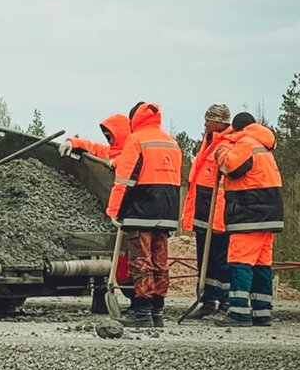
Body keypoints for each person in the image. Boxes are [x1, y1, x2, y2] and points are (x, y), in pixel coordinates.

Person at [106, 102, 182, 328]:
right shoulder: (171, 142)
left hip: (141, 209)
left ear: (134, 120)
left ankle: (141, 312)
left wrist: (114, 210)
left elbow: (124, 179)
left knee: (141, 261)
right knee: (160, 262)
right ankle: (157, 312)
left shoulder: (136, 140)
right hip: (167, 211)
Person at [213, 112, 284, 328]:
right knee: (262, 264)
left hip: (249, 213)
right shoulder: (263, 145)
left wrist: (221, 150)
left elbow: (231, 168)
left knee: (240, 262)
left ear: (237, 129)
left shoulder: (246, 143)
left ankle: (238, 312)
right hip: (269, 215)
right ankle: (262, 312)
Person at [180, 104, 233, 319]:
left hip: (218, 213)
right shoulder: (208, 143)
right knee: (205, 258)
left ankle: (225, 301)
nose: (204, 124)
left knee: (221, 260)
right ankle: (207, 299)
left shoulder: (228, 143)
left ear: (219, 122)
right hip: (203, 211)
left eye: (208, 120)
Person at [59, 113, 132, 167]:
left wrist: (115, 162)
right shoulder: (109, 152)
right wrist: (72, 142)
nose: (108, 140)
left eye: (109, 136)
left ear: (119, 135)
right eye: (106, 136)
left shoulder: (133, 154)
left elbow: (129, 161)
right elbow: (92, 147)